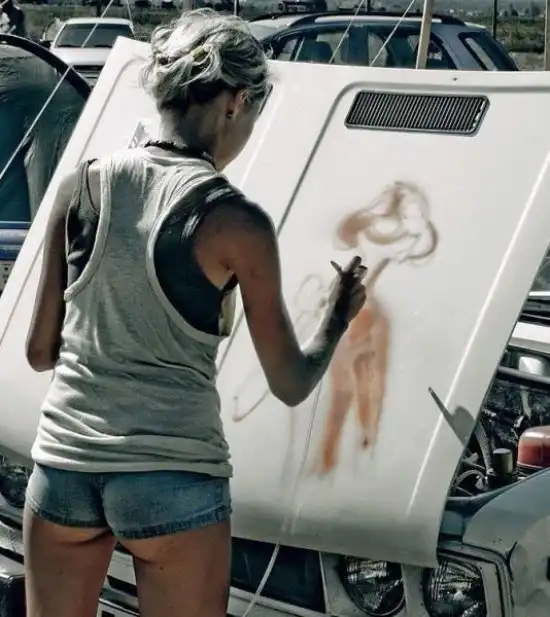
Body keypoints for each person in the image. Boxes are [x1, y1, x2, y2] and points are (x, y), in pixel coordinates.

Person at [23, 9, 367, 617]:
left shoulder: (83, 186)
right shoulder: (236, 222)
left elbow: (39, 352)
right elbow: (290, 382)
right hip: (174, 477)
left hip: (64, 468)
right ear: (236, 102)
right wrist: (337, 318)